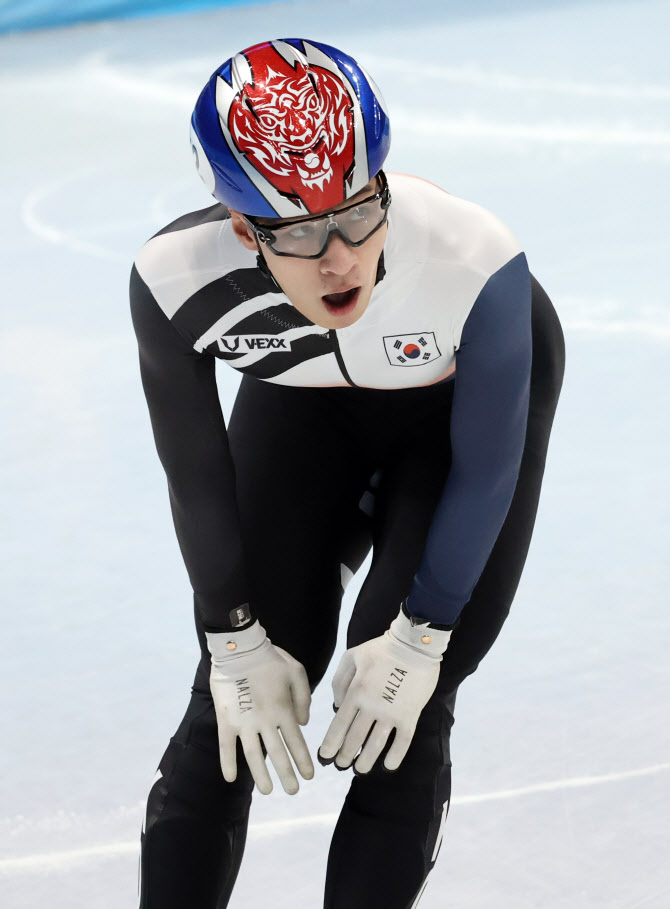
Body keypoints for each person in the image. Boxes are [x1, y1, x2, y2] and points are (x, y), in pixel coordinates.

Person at [129, 37, 565, 909]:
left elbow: (487, 469)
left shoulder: (475, 260)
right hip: (302, 416)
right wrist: (232, 639)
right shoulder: (177, 281)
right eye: (299, 231)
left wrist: (422, 636)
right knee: (227, 717)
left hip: (450, 433)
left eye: (361, 213)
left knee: (403, 714)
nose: (339, 256)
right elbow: (195, 475)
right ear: (244, 228)